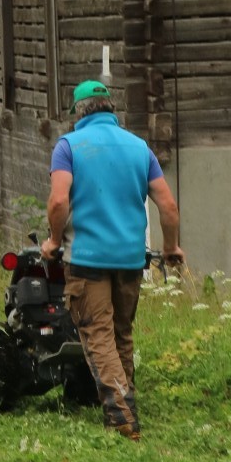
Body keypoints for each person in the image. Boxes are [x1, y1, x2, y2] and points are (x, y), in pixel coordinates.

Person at [41, 78, 182, 441]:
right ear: (110, 110)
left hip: (87, 259)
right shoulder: (139, 148)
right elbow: (167, 205)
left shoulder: (68, 146)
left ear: (78, 113)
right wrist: (171, 248)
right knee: (121, 332)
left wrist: (54, 241)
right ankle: (125, 402)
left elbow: (58, 201)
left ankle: (121, 415)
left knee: (98, 334)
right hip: (131, 260)